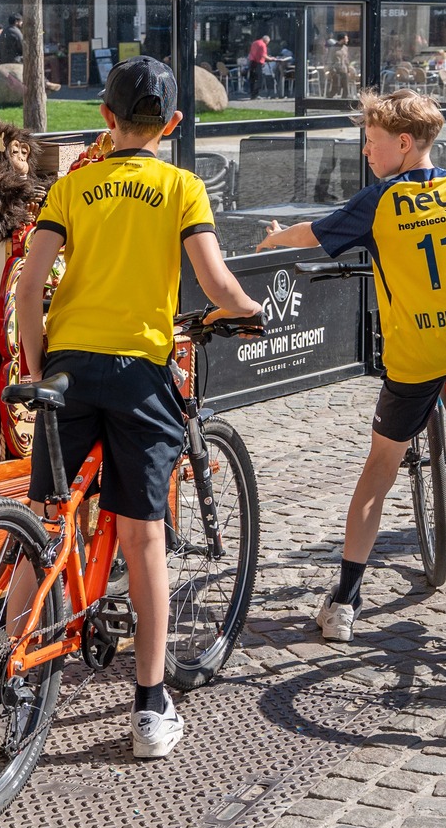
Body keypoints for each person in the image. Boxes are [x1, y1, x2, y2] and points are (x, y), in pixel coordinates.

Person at [13, 56, 264, 758]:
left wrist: (41, 366)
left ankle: (5, 667)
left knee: (45, 520)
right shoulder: (182, 185)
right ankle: (151, 706)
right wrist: (249, 312)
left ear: (105, 120)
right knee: (142, 533)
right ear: (174, 125)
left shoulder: (73, 184)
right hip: (138, 375)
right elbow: (216, 283)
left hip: (68, 371)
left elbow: (30, 288)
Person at [258, 91, 446, 643]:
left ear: (404, 144)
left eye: (372, 140)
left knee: (377, 473)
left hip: (416, 354)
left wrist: (270, 239)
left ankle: (343, 602)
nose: (365, 150)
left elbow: (312, 234)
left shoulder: (379, 201)